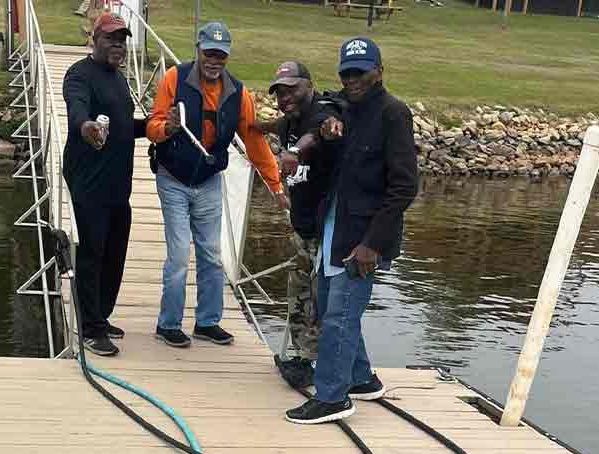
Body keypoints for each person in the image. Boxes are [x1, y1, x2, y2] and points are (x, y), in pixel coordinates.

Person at [285, 37, 418, 425]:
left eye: (361, 71)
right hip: (333, 229)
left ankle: (332, 397)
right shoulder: (343, 109)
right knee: (330, 308)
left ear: (379, 71)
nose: (353, 79)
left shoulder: (394, 113)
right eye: (347, 72)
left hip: (362, 240)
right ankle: (360, 378)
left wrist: (372, 244)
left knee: (340, 316)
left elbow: (405, 186)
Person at [146, 21, 287, 348]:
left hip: (209, 180)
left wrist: (276, 186)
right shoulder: (174, 78)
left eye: (220, 55)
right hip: (173, 179)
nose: (214, 60)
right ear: (198, 50)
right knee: (180, 255)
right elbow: (153, 126)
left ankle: (207, 322)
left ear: (227, 57)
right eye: (209, 53)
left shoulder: (237, 93)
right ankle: (168, 324)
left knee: (211, 254)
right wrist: (169, 128)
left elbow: (255, 142)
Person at [62, 12, 147, 357]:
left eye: (122, 40)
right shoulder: (79, 75)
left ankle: (101, 315)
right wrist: (87, 128)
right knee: (92, 254)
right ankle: (90, 328)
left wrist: (155, 127)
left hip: (117, 186)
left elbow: (125, 127)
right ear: (93, 40)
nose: (118, 45)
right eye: (111, 38)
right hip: (88, 184)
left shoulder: (119, 79)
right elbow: (76, 111)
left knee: (115, 254)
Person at [269, 60, 340, 390]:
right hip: (302, 227)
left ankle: (328, 364)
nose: (286, 98)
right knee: (298, 294)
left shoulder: (322, 114)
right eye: (280, 92)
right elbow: (270, 130)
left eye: (292, 89)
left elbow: (321, 131)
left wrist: (295, 150)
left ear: (309, 86)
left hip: (328, 230)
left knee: (322, 298)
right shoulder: (288, 123)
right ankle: (302, 358)